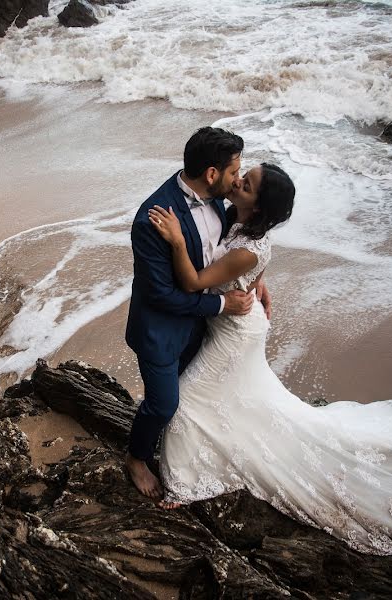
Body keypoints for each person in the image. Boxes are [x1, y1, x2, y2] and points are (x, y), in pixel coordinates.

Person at [147, 162, 392, 565]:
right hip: (237, 322)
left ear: (259, 206)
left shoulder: (246, 245)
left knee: (186, 401)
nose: (238, 181)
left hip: (236, 333)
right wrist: (257, 285)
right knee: (244, 397)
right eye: (244, 175)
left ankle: (184, 485)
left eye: (248, 184)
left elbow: (194, 283)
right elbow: (251, 270)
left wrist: (178, 243)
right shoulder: (239, 222)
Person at [124, 127, 271, 498]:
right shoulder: (151, 221)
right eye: (235, 172)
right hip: (161, 328)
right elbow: (160, 296)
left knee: (190, 397)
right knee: (164, 403)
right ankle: (137, 458)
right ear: (211, 174)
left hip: (203, 325)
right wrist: (223, 304)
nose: (238, 179)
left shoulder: (222, 204)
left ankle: (176, 446)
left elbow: (235, 250)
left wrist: (259, 280)